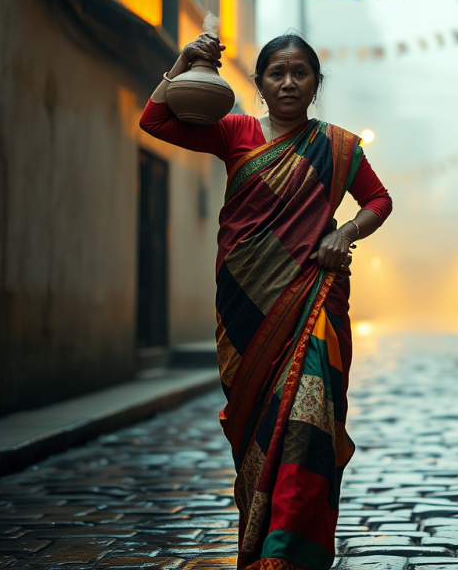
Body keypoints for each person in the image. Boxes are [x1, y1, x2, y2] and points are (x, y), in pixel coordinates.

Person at [140, 31, 392, 570]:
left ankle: (285, 552)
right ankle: (260, 542)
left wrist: (343, 234)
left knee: (308, 418)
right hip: (243, 306)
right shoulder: (234, 132)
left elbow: (378, 199)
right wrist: (183, 63)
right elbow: (155, 123)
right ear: (258, 84)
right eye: (276, 73)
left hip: (311, 304)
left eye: (300, 72)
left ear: (315, 84)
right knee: (259, 425)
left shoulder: (339, 146)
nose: (288, 82)